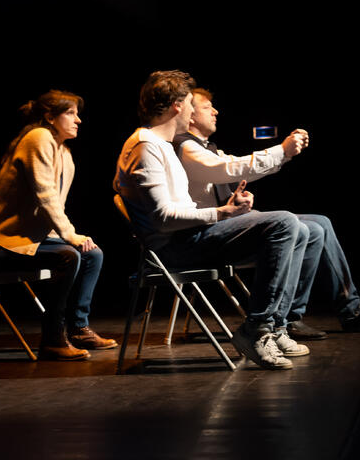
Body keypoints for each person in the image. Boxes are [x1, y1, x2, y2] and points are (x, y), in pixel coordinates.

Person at [113, 70, 312, 370]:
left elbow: (180, 208)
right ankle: (257, 329)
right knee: (283, 223)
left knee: (297, 228)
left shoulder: (161, 145)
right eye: (192, 103)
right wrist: (221, 214)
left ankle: (273, 327)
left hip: (190, 237)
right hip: (174, 249)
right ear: (177, 106)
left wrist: (229, 208)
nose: (196, 110)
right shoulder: (146, 146)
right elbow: (164, 219)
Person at [173, 87, 360, 340]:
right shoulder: (184, 147)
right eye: (206, 107)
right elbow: (230, 168)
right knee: (299, 226)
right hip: (206, 236)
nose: (215, 111)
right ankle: (285, 318)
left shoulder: (206, 148)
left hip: (226, 224)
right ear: (190, 114)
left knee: (319, 223)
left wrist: (240, 197)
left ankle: (341, 310)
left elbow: (235, 170)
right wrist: (282, 150)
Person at [0, 89, 117, 361]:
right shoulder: (38, 138)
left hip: (23, 239)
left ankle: (79, 328)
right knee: (68, 256)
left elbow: (53, 207)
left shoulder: (64, 152)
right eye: (71, 113)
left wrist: (72, 237)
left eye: (78, 114)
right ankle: (52, 338)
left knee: (92, 253)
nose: (78, 120)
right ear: (50, 117)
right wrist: (70, 236)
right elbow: (45, 196)